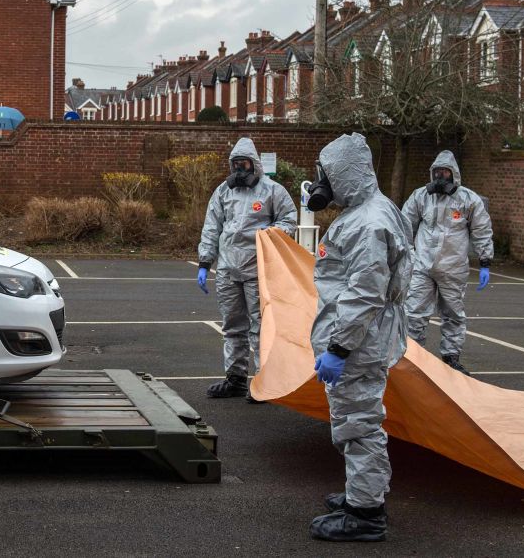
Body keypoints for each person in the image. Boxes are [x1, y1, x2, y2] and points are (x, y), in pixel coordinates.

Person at [306, 133, 412, 542]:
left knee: (358, 425)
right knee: (357, 421)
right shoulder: (372, 210)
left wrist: (338, 348)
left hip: (359, 345)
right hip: (363, 340)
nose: (321, 183)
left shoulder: (368, 223)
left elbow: (364, 292)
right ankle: (360, 495)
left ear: (342, 174)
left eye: (326, 174)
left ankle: (366, 514)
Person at [197, 138, 297, 399]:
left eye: (244, 163)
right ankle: (236, 378)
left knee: (260, 327)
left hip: (257, 269)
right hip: (228, 269)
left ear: (255, 164)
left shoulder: (272, 191)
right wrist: (205, 262)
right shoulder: (223, 191)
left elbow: (289, 219)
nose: (240, 169)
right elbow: (212, 226)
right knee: (232, 326)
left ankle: (264, 380)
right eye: (236, 164)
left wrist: (271, 232)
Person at [401, 150, 493, 375]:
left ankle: (451, 357)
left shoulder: (468, 200)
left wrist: (485, 261)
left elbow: (481, 230)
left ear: (454, 174)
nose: (441, 177)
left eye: (445, 172)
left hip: (453, 267)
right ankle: (413, 356)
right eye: (437, 172)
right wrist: (405, 255)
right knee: (414, 312)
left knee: (453, 314)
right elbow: (404, 225)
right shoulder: (421, 196)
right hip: (422, 266)